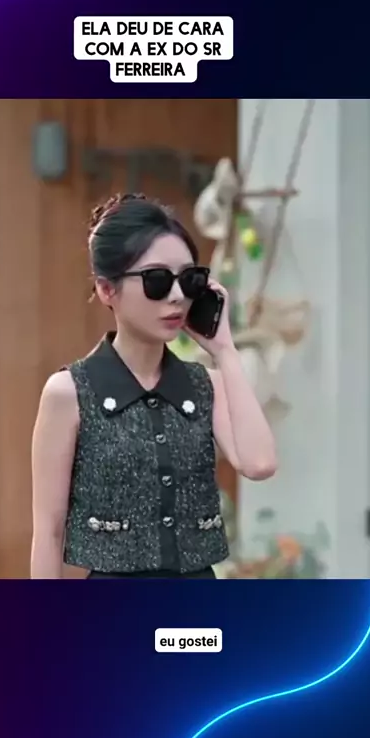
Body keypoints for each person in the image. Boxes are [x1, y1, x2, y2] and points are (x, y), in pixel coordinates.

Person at [31, 193, 277, 579]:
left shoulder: (205, 385)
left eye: (189, 280)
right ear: (107, 289)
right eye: (157, 280)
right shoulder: (70, 392)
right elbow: (48, 532)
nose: (177, 296)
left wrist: (224, 350)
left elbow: (259, 463)